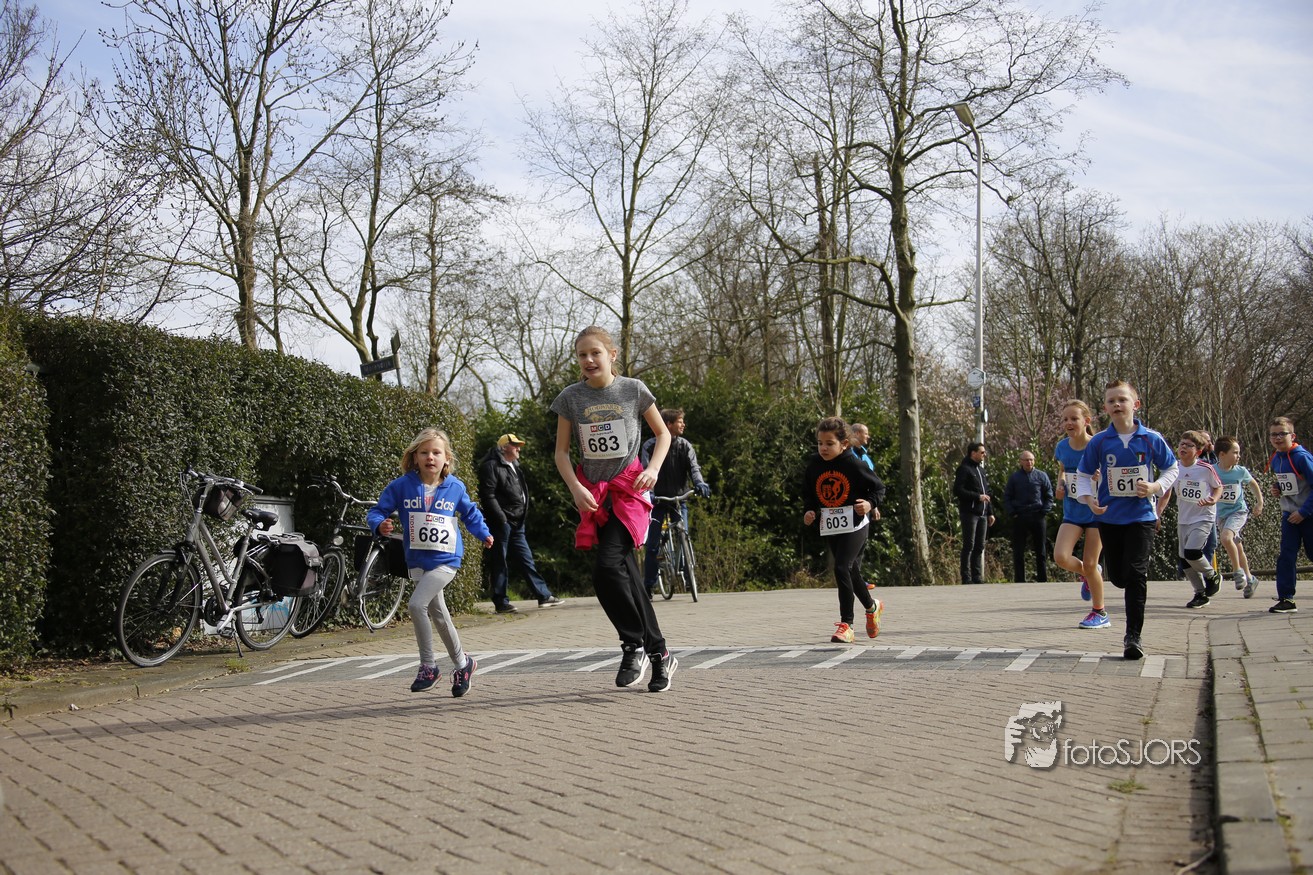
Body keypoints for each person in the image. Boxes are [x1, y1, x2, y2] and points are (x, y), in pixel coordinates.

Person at [551, 326, 679, 692]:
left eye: (595, 353)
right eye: (582, 355)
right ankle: (659, 654)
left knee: (606, 566)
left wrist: (653, 469)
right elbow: (561, 452)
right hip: (595, 495)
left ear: (612, 355)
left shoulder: (633, 390)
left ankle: (632, 644)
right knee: (625, 577)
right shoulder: (570, 398)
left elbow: (663, 434)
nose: (589, 360)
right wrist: (576, 488)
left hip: (630, 491)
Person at [367, 428, 493, 698]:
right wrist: (379, 525)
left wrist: (484, 533)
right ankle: (463, 664)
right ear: (415, 457)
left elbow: (470, 514)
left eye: (436, 452)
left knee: (416, 605)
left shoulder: (455, 487)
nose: (430, 457)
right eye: (424, 452)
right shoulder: (401, 486)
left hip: (446, 559)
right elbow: (377, 511)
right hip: (417, 560)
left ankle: (428, 666)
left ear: (446, 458)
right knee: (438, 613)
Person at [1076, 380, 1177, 661]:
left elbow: (1172, 468)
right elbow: (1083, 474)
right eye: (1111, 401)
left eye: (1122, 399)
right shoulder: (1100, 441)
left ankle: (1133, 636)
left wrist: (1155, 487)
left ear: (1136, 404)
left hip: (1141, 517)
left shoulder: (1151, 438)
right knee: (1119, 577)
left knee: (1136, 574)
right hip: (1110, 518)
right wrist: (1089, 500)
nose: (1117, 405)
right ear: (1106, 408)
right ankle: (1103, 574)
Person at [802, 417, 886, 643]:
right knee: (851, 570)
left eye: (829, 444)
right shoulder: (814, 465)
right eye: (820, 443)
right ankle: (872, 606)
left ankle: (847, 625)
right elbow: (809, 494)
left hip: (857, 523)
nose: (823, 448)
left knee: (841, 567)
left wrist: (869, 504)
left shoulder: (853, 464)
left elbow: (878, 488)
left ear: (844, 444)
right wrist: (809, 511)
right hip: (832, 524)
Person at [478, 433, 564, 613]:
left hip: (517, 522)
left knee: (526, 559)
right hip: (502, 522)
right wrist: (502, 519)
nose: (519, 448)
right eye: (515, 445)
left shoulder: (514, 466)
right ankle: (501, 603)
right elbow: (488, 496)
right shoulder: (491, 466)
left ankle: (543, 596)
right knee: (500, 561)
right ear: (504, 447)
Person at [639, 408, 711, 596]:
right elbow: (646, 469)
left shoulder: (685, 446)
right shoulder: (649, 446)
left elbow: (694, 468)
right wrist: (649, 493)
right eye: (679, 421)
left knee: (683, 534)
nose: (683, 424)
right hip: (657, 501)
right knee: (653, 544)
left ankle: (688, 577)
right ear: (668, 424)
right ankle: (649, 585)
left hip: (679, 499)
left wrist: (699, 483)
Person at [1053, 399, 1110, 629]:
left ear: (1086, 421)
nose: (1069, 423)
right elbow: (1063, 471)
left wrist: (1099, 476)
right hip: (1073, 511)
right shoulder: (1062, 447)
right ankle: (1088, 573)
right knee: (1061, 557)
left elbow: (1110, 474)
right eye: (1065, 419)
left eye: (1074, 419)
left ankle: (1100, 612)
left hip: (1096, 512)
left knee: (1090, 562)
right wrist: (1060, 484)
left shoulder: (1097, 445)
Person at [1156, 431, 1223, 608]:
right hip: (1184, 518)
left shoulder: (1205, 469)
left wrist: (1213, 499)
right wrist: (1157, 514)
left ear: (1198, 451)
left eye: (1189, 445)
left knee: (1192, 552)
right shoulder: (1174, 469)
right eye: (1182, 444)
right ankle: (1200, 594)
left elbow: (1218, 487)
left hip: (1203, 517)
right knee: (1184, 559)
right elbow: (1166, 494)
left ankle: (1212, 575)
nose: (1183, 447)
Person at [1267, 417, 1313, 614]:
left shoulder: (1302, 458)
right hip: (1289, 516)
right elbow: (1290, 483)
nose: (1277, 438)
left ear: (1292, 436)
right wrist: (1278, 488)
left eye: (1282, 434)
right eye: (1273, 435)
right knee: (1286, 555)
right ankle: (1286, 598)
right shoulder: (1276, 458)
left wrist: (1303, 512)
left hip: (1308, 515)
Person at [1214, 435, 1263, 598]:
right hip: (1221, 514)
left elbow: (1253, 484)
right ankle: (1250, 579)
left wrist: (1259, 502)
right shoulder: (1212, 471)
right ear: (1222, 454)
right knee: (1236, 546)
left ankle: (1237, 572)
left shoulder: (1240, 471)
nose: (1238, 456)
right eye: (1235, 452)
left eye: (1239, 452)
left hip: (1238, 512)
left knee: (1226, 538)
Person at [1002, 451, 1054, 583]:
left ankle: (1042, 579)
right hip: (1020, 516)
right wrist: (1012, 512)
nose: (1029, 462)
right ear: (1020, 461)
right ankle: (1020, 580)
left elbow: (1049, 495)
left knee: (1041, 550)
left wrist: (1044, 511)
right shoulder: (1014, 477)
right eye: (1026, 460)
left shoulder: (1041, 476)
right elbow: (1007, 497)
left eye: (1031, 460)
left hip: (1038, 515)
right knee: (1019, 550)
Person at [953, 442, 994, 585]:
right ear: (973, 453)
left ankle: (977, 576)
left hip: (983, 513)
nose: (984, 455)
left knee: (979, 545)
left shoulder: (981, 470)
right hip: (970, 513)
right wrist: (977, 497)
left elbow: (987, 493)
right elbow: (958, 490)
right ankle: (966, 577)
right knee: (968, 545)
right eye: (982, 452)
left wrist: (990, 512)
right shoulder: (964, 469)